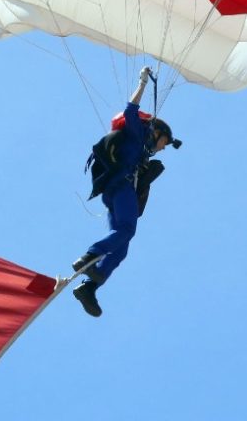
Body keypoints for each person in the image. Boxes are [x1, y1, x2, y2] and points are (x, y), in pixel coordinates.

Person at [72, 66, 179, 317]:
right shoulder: (136, 134)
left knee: (121, 246)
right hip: (121, 187)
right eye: (165, 141)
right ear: (156, 132)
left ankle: (90, 286)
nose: (163, 148)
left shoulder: (142, 152)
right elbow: (131, 110)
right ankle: (91, 256)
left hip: (116, 193)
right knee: (127, 230)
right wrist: (142, 83)